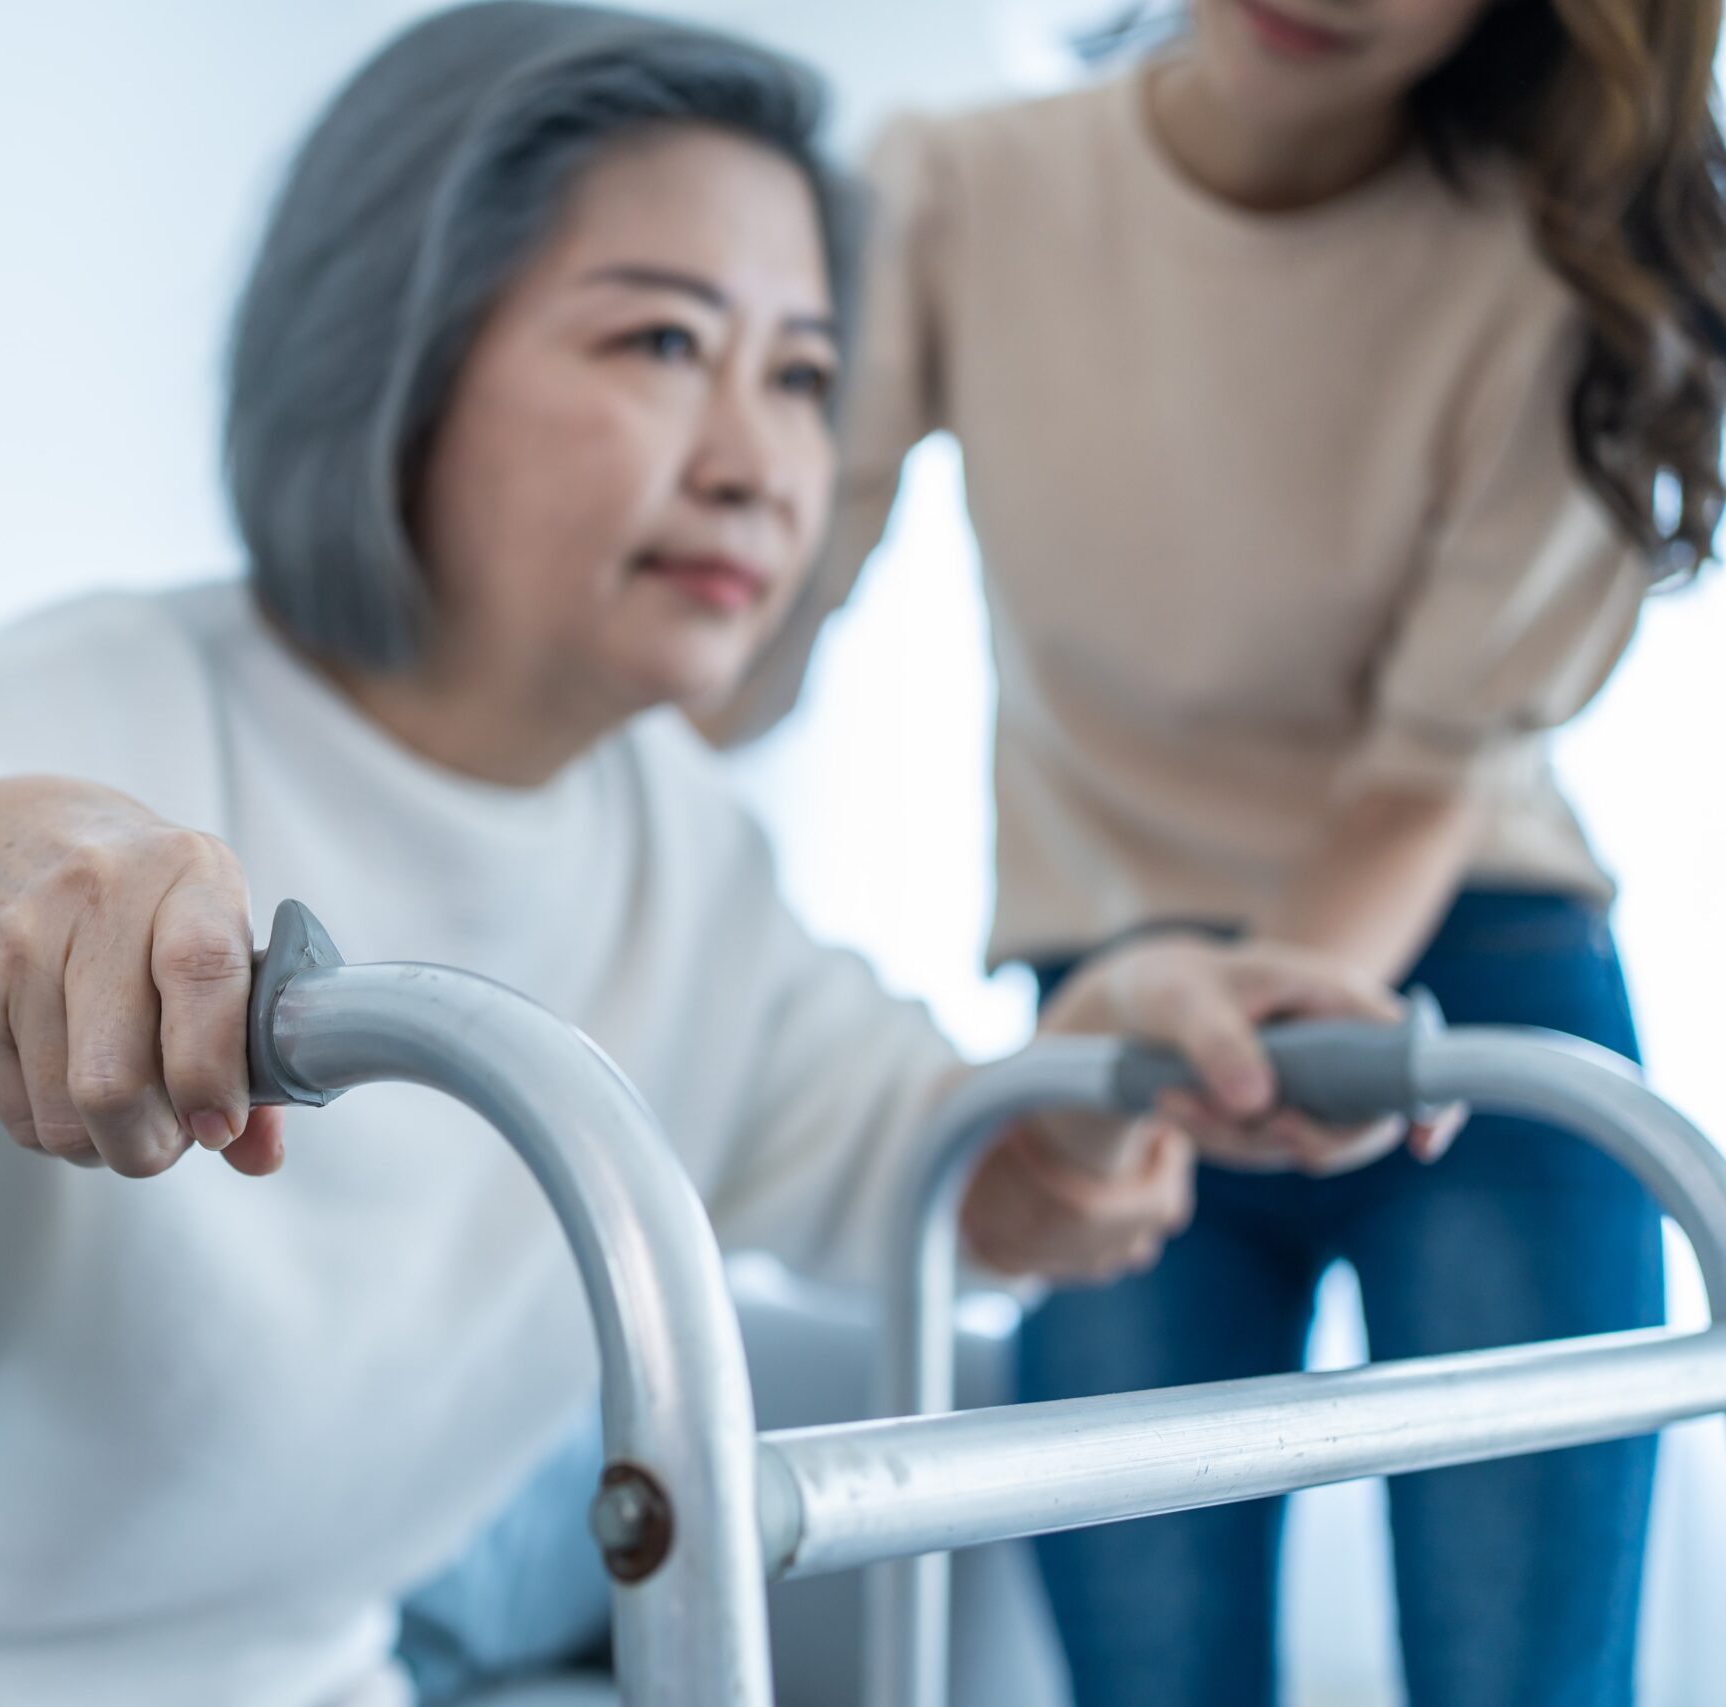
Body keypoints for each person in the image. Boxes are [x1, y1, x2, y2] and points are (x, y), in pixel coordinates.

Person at [0, 7, 1412, 1703]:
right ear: (402, 349)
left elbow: (946, 1174)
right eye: (653, 344)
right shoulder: (82, 722)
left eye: (801, 375)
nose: (755, 457)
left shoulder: (676, 858)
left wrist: (1112, 1060)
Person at [708, 2, 1726, 1702]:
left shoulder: (1555, 270)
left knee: (1528, 1683)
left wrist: (1235, 1022)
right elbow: (747, 631)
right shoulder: (951, 193)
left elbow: (1425, 780)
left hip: (1462, 993)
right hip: (1114, 1016)